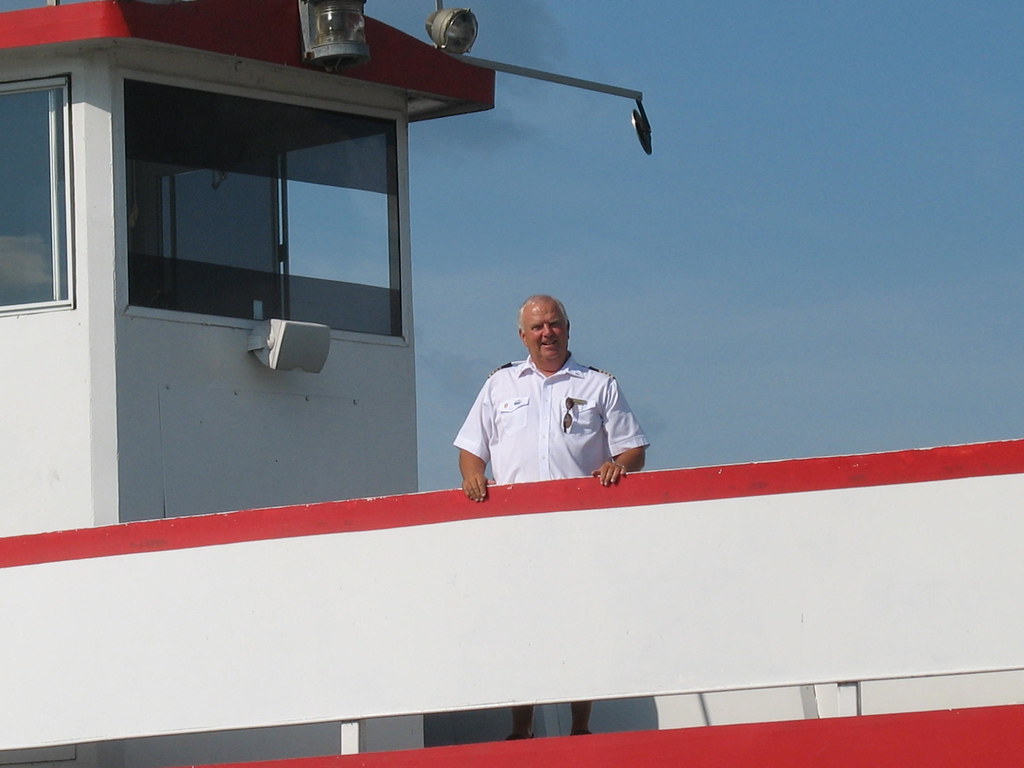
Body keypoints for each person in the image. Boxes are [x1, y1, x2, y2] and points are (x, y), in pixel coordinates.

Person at [453, 294, 649, 739]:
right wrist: (473, 478)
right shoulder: (499, 386)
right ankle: (522, 729)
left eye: (555, 324)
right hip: (514, 532)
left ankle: (580, 728)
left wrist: (621, 465)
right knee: (519, 630)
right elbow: (471, 448)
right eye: (538, 327)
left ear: (568, 328)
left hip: (579, 530)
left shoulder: (599, 386)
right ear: (523, 335)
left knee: (579, 628)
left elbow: (633, 447)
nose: (547, 333)